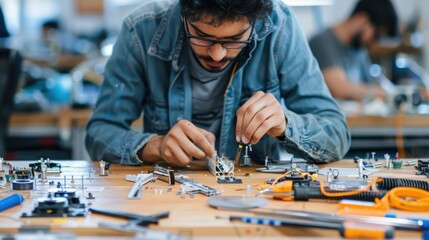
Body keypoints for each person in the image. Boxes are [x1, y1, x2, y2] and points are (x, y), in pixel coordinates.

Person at [85, 0, 351, 166]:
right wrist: (155, 146)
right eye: (202, 36)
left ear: (256, 21)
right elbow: (99, 133)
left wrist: (285, 124)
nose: (217, 54)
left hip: (251, 201)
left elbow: (337, 134)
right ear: (182, 12)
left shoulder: (279, 27)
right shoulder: (140, 31)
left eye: (235, 39)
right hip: (169, 197)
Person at [309, 0, 399, 102]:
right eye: (376, 35)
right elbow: (339, 89)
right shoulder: (322, 42)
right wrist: (378, 92)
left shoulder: (359, 49)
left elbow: (369, 84)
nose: (375, 43)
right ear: (362, 19)